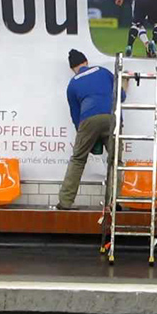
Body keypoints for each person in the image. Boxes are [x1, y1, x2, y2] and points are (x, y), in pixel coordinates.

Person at [57, 49, 126, 210]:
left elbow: (76, 116)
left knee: (78, 159)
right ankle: (112, 203)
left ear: (73, 68)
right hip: (112, 117)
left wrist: (85, 136)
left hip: (88, 120)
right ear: (86, 61)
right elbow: (121, 96)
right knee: (115, 161)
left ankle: (65, 202)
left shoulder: (72, 84)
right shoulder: (103, 71)